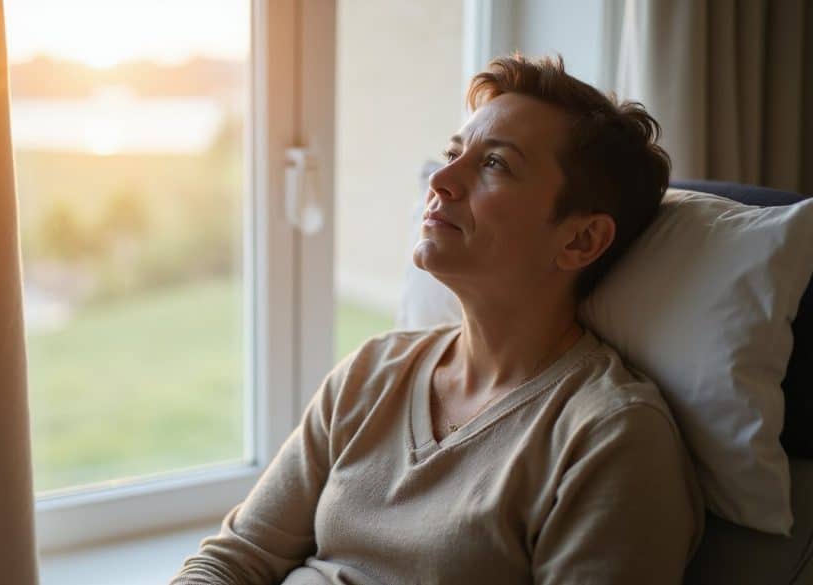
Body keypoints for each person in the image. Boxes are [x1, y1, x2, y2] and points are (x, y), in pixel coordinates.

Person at [170, 54, 704, 584]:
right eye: (454, 152)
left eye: (495, 163)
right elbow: (236, 558)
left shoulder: (609, 437)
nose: (442, 179)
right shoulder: (372, 373)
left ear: (580, 239)